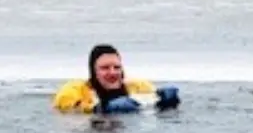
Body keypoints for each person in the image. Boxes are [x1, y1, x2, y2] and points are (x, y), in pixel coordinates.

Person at [52, 44, 180, 114]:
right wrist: (101, 109)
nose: (112, 72)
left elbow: (151, 103)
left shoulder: (138, 87)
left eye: (117, 67)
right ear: (93, 71)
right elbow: (70, 115)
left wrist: (165, 101)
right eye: (105, 68)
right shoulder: (73, 91)